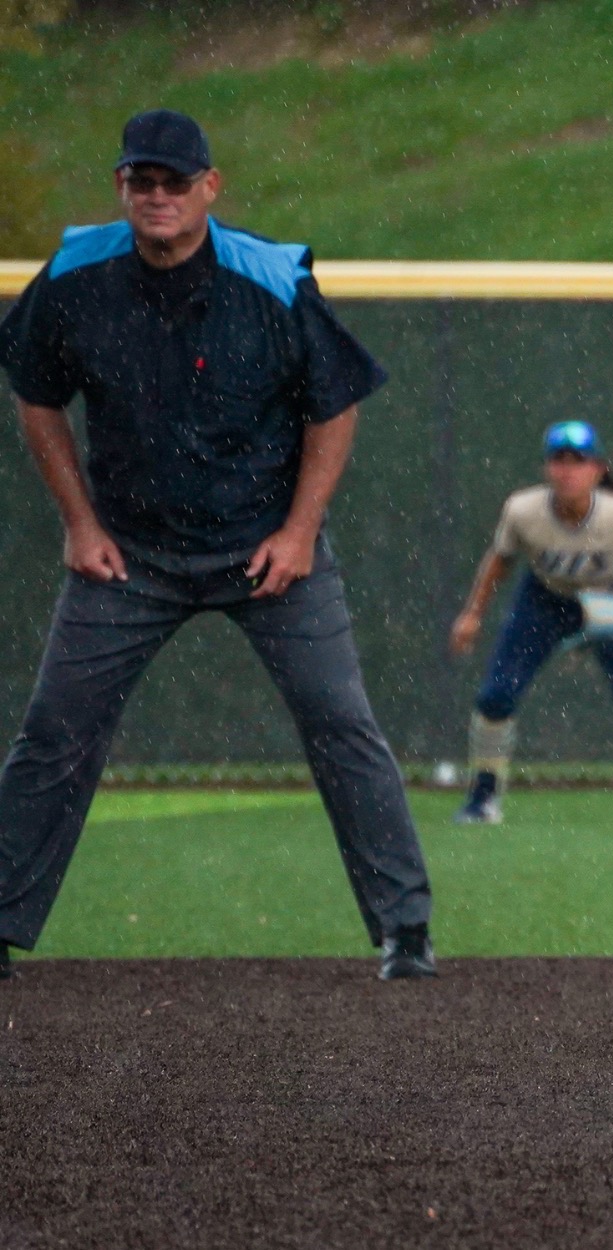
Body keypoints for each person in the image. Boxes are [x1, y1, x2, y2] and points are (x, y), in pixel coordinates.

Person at [0, 109, 434, 982]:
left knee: (342, 725)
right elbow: (35, 393)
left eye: (175, 181)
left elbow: (334, 405)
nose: (158, 197)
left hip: (265, 552)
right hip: (128, 557)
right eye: (142, 181)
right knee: (54, 732)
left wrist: (300, 532)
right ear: (122, 187)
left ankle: (406, 931)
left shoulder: (267, 278)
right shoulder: (79, 271)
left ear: (210, 188)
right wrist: (78, 523)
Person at [448, 421, 613, 825]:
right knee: (497, 696)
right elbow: (500, 560)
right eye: (558, 460)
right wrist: (472, 613)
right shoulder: (523, 510)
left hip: (609, 602)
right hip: (544, 601)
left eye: (578, 461)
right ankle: (482, 797)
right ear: (546, 468)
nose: (567, 470)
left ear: (598, 469)